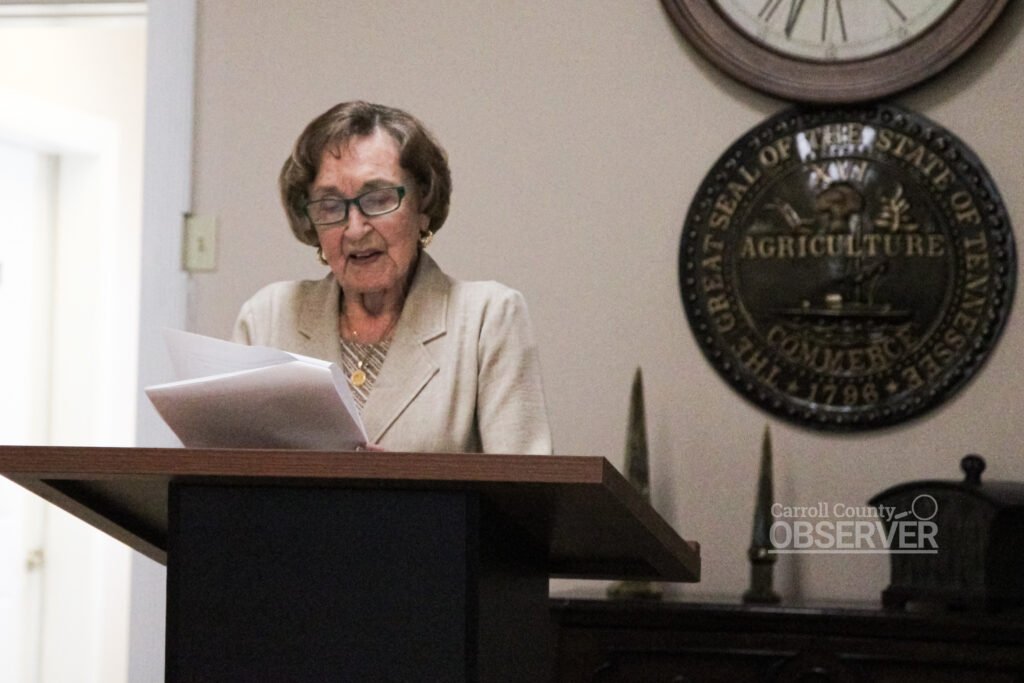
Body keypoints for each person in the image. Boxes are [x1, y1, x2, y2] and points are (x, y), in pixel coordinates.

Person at [233, 101, 552, 454]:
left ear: (424, 207)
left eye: (379, 198)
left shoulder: (486, 319)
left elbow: (526, 495)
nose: (354, 229)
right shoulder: (269, 318)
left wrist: (404, 483)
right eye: (330, 205)